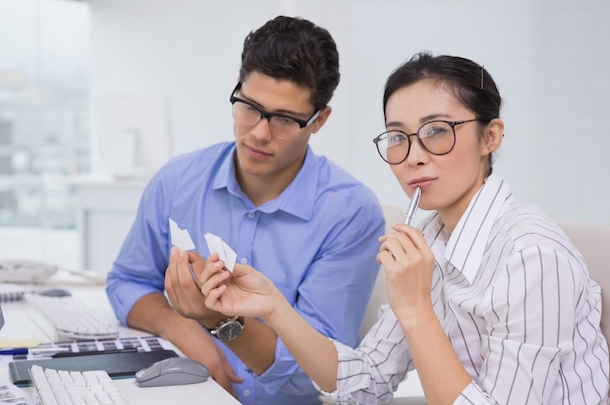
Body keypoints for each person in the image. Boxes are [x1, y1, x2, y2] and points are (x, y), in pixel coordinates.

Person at [199, 52, 610, 404]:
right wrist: (274, 306)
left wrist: (415, 309)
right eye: (397, 137)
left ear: (491, 136)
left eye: (436, 131)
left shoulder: (531, 257)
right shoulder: (432, 237)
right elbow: (365, 382)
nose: (412, 156)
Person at [105, 15, 384, 405]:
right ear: (236, 89)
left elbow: (315, 376)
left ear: (319, 120)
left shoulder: (351, 213)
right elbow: (127, 281)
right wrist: (181, 329)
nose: (258, 133)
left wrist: (214, 320)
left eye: (285, 119)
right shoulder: (177, 181)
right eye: (250, 107)